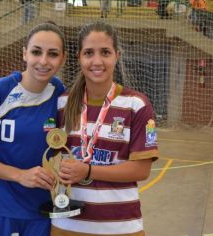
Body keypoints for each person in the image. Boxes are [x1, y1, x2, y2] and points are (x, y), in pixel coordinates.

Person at [52, 21, 158, 236]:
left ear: (116, 56)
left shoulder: (138, 105)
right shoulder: (62, 103)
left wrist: (88, 171)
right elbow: (51, 156)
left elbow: (142, 170)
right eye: (89, 53)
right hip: (67, 226)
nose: (97, 61)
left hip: (121, 226)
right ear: (79, 57)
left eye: (105, 52)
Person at [0, 22, 67, 236]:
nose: (43, 61)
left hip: (41, 212)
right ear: (25, 54)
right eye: (36, 52)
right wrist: (20, 175)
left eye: (52, 54)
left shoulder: (59, 93)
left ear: (62, 59)